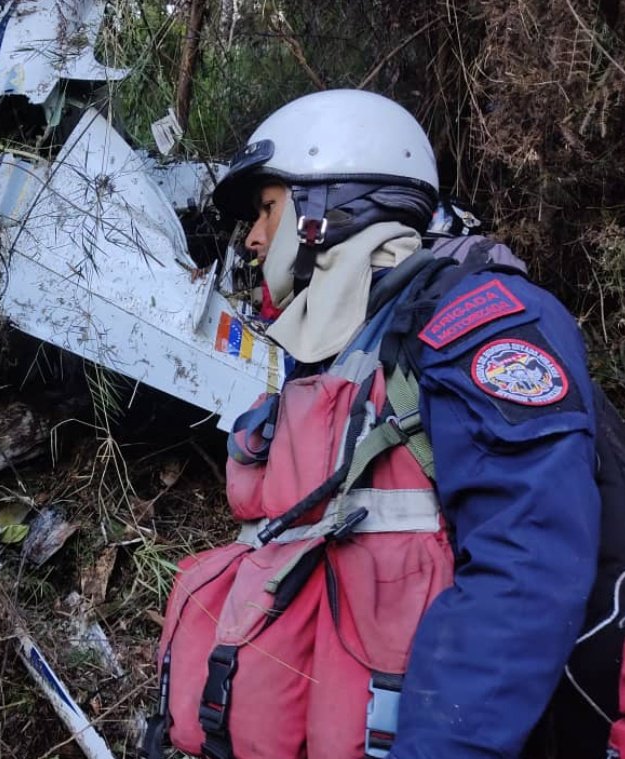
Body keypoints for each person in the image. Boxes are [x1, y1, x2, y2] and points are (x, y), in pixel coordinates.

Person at [151, 89, 601, 759]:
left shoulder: (476, 323)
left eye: (267, 208)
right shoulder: (345, 358)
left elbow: (527, 562)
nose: (251, 237)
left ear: (329, 209)